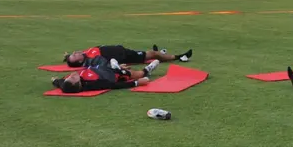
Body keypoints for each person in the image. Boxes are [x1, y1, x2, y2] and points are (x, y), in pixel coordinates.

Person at [52, 56, 159, 93]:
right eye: (73, 78)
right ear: (78, 83)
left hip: (100, 69)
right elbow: (112, 85)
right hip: (112, 75)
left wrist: (55, 80)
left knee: (107, 64)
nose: (72, 75)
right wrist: (136, 83)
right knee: (138, 74)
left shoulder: (65, 83)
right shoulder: (92, 84)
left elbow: (59, 83)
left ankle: (117, 66)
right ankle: (148, 69)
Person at [63, 44, 192, 67]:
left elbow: (71, 57)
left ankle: (159, 55)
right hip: (124, 55)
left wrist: (67, 56)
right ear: (79, 62)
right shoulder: (91, 60)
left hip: (123, 51)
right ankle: (179, 57)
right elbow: (104, 64)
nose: (75, 53)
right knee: (151, 53)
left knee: (149, 54)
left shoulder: (85, 54)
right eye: (74, 56)